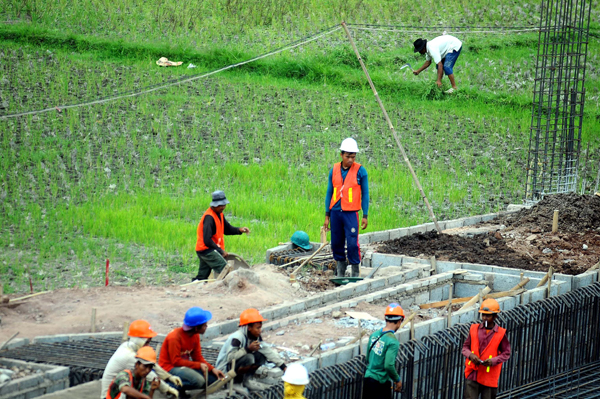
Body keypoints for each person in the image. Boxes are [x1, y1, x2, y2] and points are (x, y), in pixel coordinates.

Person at [101, 320, 181, 399]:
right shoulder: (128, 356)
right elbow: (151, 375)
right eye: (146, 342)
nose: (148, 345)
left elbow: (150, 363)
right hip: (112, 395)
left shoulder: (127, 346)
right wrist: (168, 389)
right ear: (138, 340)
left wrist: (169, 377)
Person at [324, 138, 369, 278]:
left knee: (352, 244)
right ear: (341, 155)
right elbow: (329, 193)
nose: (350, 159)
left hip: (351, 213)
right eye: (348, 156)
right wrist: (327, 215)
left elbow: (365, 194)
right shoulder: (334, 169)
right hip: (336, 212)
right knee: (336, 242)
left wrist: (365, 215)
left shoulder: (361, 171)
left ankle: (355, 271)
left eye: (353, 157)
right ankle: (340, 270)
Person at [158, 307, 226, 398]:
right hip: (169, 367)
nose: (206, 327)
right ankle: (171, 385)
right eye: (205, 325)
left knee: (213, 380)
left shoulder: (195, 335)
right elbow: (175, 361)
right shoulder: (174, 337)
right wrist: (199, 365)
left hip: (182, 366)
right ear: (196, 328)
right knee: (199, 381)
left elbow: (198, 357)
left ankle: (181, 385)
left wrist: (212, 369)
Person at [215, 308, 287, 392]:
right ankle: (235, 382)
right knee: (249, 357)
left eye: (260, 328)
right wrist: (247, 349)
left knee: (261, 356)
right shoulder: (237, 337)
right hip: (224, 370)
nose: (260, 331)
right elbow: (230, 357)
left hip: (235, 364)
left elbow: (267, 350)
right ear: (249, 328)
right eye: (257, 328)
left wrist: (283, 366)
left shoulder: (254, 336)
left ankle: (246, 380)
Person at [194, 190, 250, 282]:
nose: (223, 207)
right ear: (214, 205)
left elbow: (227, 229)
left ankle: (196, 287)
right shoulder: (209, 217)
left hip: (205, 250)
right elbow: (207, 240)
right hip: (207, 250)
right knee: (225, 269)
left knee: (202, 276)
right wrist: (220, 251)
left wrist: (239, 230)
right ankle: (228, 290)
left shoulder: (219, 214)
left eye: (224, 204)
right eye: (220, 205)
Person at [462, 298, 511, 399]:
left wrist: (493, 361)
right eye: (483, 315)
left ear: (495, 316)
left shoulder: (501, 333)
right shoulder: (474, 329)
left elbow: (506, 353)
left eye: (488, 316)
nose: (484, 318)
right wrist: (471, 355)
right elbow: (465, 348)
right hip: (473, 373)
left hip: (489, 376)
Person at [363, 303, 404, 399]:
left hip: (368, 380)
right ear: (400, 321)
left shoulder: (374, 335)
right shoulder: (392, 341)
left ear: (386, 319)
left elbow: (368, 358)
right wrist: (397, 380)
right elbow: (388, 365)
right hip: (380, 383)